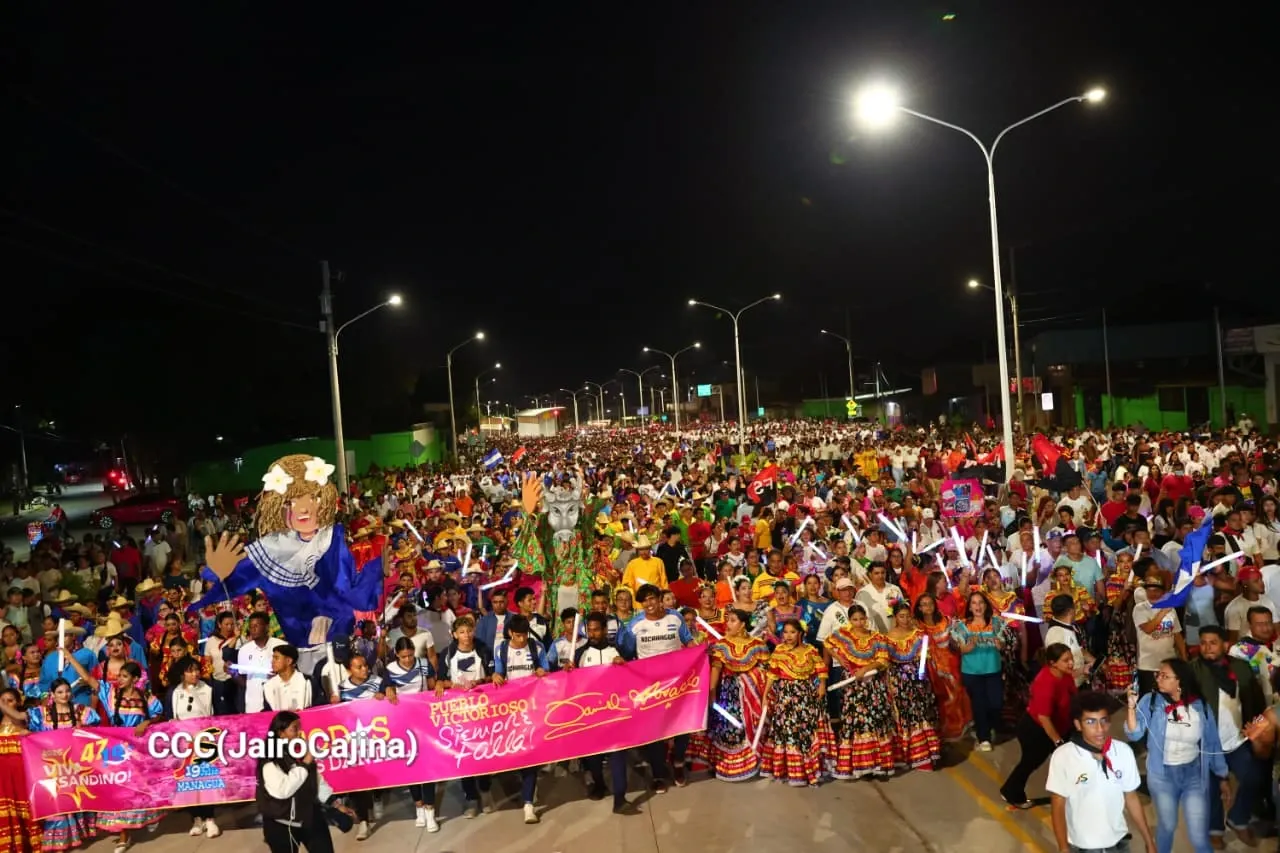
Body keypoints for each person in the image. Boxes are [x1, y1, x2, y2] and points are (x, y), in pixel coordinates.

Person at [1124, 657, 1229, 853]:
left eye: (1164, 676)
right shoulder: (1151, 701)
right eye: (1158, 675)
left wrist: (1222, 775)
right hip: (1162, 775)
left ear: (1180, 680)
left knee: (1199, 835)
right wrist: (1131, 708)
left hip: (1193, 775)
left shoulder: (1201, 706)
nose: (1158, 679)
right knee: (1167, 826)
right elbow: (1134, 733)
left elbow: (1213, 742)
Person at [1047, 690, 1155, 853]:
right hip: (1083, 847)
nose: (1099, 729)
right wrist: (1063, 848)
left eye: (1104, 720)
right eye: (1090, 722)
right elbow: (1058, 805)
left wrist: (1149, 841)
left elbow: (1131, 797)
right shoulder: (1063, 756)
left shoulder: (1123, 751)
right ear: (1078, 725)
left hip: (1119, 844)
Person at [1186, 625, 1264, 847]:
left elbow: (1256, 700)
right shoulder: (1192, 671)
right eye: (1203, 643)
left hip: (1237, 739)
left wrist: (1257, 728)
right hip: (1207, 744)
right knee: (1210, 788)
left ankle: (1238, 819)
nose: (1207, 647)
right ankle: (1215, 829)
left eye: (1213, 642)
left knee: (1253, 776)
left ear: (1225, 644)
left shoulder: (1240, 667)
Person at [617, 584, 695, 792]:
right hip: (649, 687)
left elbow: (688, 641)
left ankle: (678, 764)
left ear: (660, 599)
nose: (649, 603)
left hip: (677, 684)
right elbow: (627, 654)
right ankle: (658, 774)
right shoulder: (635, 625)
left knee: (682, 726)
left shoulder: (675, 618)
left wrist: (699, 653)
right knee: (654, 730)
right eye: (644, 601)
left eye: (652, 598)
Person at [563, 612, 638, 813]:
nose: (593, 634)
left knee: (618, 754)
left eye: (596, 630)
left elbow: (630, 679)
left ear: (605, 630)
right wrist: (568, 671)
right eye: (590, 630)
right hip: (590, 716)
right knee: (594, 757)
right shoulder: (580, 654)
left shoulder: (617, 651)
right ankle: (599, 784)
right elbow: (570, 684)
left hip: (615, 713)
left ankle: (620, 798)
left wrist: (624, 665)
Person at [1000, 643, 1077, 809]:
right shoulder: (1045, 683)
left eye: (1071, 659)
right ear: (1053, 663)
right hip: (1036, 731)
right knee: (1030, 763)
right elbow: (1044, 718)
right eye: (1066, 660)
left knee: (1066, 761)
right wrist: (1058, 741)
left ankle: (1072, 792)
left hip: (1059, 727)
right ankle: (1011, 792)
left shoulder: (1065, 675)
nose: (1071, 663)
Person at [256, 711, 345, 853]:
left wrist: (335, 804)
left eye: (300, 728)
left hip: (310, 816)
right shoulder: (269, 760)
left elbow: (316, 780)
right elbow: (283, 790)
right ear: (281, 733)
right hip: (282, 824)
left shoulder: (300, 750)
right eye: (294, 729)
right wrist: (304, 764)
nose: (299, 733)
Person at [491, 614, 548, 824]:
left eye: (524, 635)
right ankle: (527, 789)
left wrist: (543, 671)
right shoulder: (501, 649)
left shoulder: (537, 647)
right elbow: (498, 673)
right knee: (516, 755)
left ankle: (528, 804)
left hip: (534, 709)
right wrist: (495, 676)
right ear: (510, 633)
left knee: (530, 756)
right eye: (518, 636)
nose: (522, 639)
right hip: (511, 711)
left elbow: (546, 670)